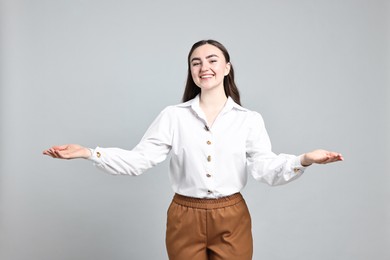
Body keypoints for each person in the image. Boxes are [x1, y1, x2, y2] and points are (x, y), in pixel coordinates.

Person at [43, 39, 343, 260]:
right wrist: (88, 152)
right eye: (196, 62)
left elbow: (265, 168)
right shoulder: (173, 116)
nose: (204, 67)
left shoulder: (249, 120)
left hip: (232, 216)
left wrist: (303, 160)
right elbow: (139, 160)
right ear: (191, 71)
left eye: (212, 60)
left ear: (227, 67)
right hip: (183, 216)